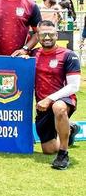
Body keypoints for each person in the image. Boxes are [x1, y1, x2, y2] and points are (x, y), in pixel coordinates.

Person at [32, 20, 81, 170]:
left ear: (57, 35)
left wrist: (49, 99)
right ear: (38, 36)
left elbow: (74, 86)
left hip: (63, 100)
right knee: (48, 149)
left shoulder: (69, 55)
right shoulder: (33, 54)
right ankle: (70, 130)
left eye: (51, 34)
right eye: (43, 34)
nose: (47, 37)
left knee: (59, 108)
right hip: (42, 105)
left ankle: (63, 154)